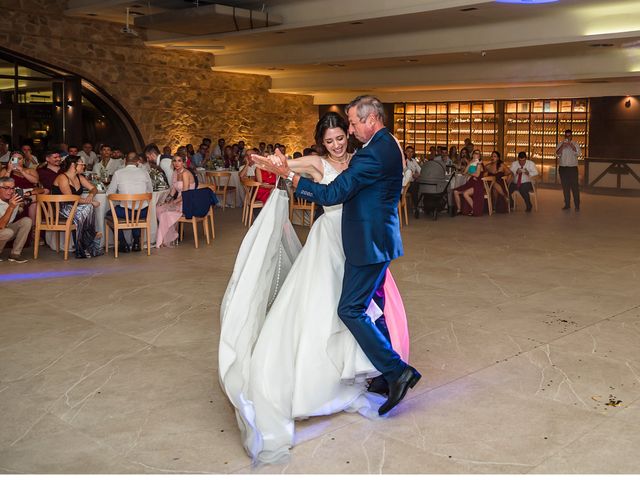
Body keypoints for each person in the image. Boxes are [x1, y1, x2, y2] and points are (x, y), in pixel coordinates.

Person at [220, 110, 412, 463]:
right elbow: (289, 167)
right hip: (329, 242)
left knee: (363, 308)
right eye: (330, 141)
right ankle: (331, 381)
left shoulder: (362, 158)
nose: (337, 146)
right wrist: (272, 163)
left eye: (341, 138)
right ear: (321, 142)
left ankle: (376, 371)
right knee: (324, 308)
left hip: (359, 241)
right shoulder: (315, 162)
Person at [255, 96, 421, 415]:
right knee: (374, 305)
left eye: (353, 123)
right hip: (375, 238)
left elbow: (333, 194)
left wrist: (290, 178)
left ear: (371, 119)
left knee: (350, 308)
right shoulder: (389, 143)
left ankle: (397, 372)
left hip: (366, 242)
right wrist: (277, 165)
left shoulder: (369, 154)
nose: (350, 129)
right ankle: (385, 374)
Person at [52, 155, 103, 258]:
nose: (83, 166)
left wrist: (91, 195)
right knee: (88, 207)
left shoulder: (80, 177)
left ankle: (82, 247)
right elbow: (70, 198)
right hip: (62, 208)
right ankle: (89, 240)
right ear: (72, 165)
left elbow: (94, 188)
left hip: (76, 207)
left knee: (86, 209)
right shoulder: (62, 177)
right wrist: (91, 202)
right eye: (81, 164)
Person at [106, 152, 153, 253]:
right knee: (136, 213)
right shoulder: (144, 172)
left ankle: (123, 243)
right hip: (143, 212)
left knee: (109, 214)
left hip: (126, 212)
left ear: (125, 161)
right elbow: (150, 192)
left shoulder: (118, 173)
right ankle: (136, 242)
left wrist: (122, 196)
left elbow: (109, 194)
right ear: (138, 162)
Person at [155, 155, 195, 248]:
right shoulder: (175, 173)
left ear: (183, 162)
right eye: (174, 161)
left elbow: (185, 194)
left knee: (166, 213)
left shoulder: (185, 173)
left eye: (179, 161)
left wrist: (172, 203)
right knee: (158, 208)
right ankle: (170, 235)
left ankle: (170, 237)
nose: (176, 163)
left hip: (187, 202)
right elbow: (173, 191)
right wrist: (166, 201)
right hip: (179, 200)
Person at [0, 176, 32, 263]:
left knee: (27, 221)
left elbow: (41, 190)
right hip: (2, 229)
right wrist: (11, 207)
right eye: (6, 188)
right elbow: (1, 226)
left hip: (7, 227)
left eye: (12, 188)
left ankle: (15, 254)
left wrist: (27, 194)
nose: (10, 191)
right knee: (7, 231)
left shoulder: (16, 194)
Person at [453, 149, 486, 216]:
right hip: (470, 182)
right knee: (455, 191)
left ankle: (475, 210)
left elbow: (477, 175)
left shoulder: (479, 163)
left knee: (465, 194)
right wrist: (470, 163)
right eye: (474, 153)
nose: (475, 154)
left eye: (477, 153)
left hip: (477, 184)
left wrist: (469, 173)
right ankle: (459, 210)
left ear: (479, 156)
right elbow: (464, 172)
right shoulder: (471, 162)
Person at [556, 129, 581, 211]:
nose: (568, 137)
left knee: (575, 187)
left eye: (569, 135)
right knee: (565, 187)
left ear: (571, 136)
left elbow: (578, 153)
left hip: (572, 168)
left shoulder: (575, 144)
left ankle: (577, 205)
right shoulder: (560, 144)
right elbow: (557, 154)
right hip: (563, 168)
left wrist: (571, 145)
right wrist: (563, 146)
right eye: (566, 135)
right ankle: (567, 204)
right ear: (565, 136)